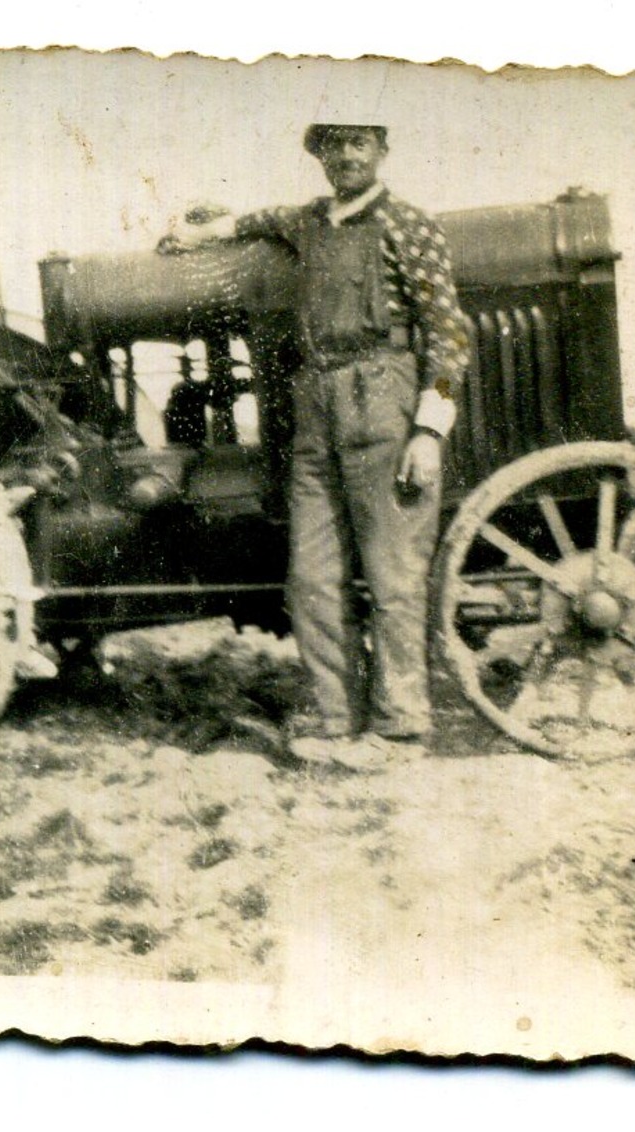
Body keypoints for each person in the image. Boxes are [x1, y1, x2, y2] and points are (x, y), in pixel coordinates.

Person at [164, 124, 473, 768]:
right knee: (312, 577)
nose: (346, 157)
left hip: (384, 399)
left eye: (359, 144)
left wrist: (429, 428)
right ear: (320, 157)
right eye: (333, 146)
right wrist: (198, 233)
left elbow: (447, 330)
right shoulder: (307, 222)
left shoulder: (408, 225)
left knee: (393, 578)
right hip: (316, 406)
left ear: (383, 150)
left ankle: (399, 731)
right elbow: (255, 219)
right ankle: (335, 722)